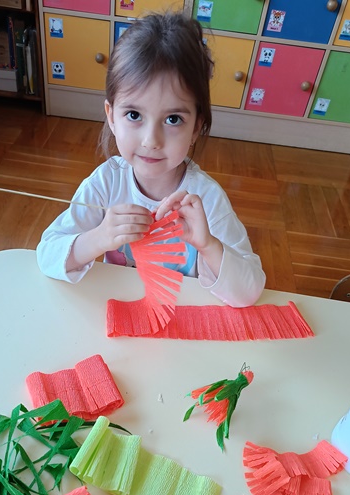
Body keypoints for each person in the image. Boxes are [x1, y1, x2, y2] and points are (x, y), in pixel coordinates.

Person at [36, 11, 266, 307]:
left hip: (180, 319)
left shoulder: (206, 200)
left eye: (173, 119)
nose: (151, 141)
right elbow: (47, 256)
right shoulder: (106, 183)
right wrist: (99, 237)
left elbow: (249, 291)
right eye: (134, 115)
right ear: (111, 117)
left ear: (196, 127)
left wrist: (209, 246)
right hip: (120, 314)